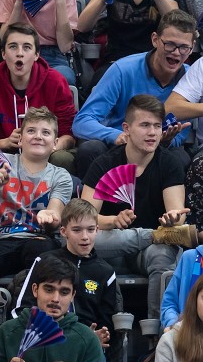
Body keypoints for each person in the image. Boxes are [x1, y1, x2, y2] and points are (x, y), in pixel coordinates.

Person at [82, 94, 193, 320]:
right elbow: (83, 218)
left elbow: (177, 214)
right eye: (144, 125)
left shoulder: (169, 162)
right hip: (111, 243)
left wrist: (173, 219)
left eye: (157, 126)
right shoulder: (105, 163)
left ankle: (159, 333)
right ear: (127, 128)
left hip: (147, 252)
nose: (152, 133)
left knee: (164, 252)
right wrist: (112, 221)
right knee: (86, 240)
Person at [72, 9, 196, 176]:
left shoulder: (191, 79)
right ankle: (92, 202)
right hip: (118, 147)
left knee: (180, 158)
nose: (176, 52)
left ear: (192, 47)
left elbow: (182, 133)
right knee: (90, 149)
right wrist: (118, 136)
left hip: (159, 149)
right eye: (170, 44)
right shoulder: (122, 69)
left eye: (184, 48)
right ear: (155, 40)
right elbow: (82, 122)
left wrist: (166, 140)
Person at [0, 106, 72, 290]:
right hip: (0, 241)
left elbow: (56, 213)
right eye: (31, 131)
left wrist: (49, 217)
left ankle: (24, 309)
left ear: (55, 143)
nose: (38, 136)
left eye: (45, 132)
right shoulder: (1, 161)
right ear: (20, 139)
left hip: (38, 239)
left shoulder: (60, 176)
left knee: (43, 254)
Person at [0, 23, 76, 171]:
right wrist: (6, 142)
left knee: (62, 158)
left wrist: (50, 144)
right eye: (13, 47)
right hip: (6, 151)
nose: (20, 53)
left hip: (47, 151)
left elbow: (68, 134)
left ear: (37, 55)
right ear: (3, 53)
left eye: (27, 47)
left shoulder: (56, 81)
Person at [12, 199, 122, 333]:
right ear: (64, 232)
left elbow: (107, 324)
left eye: (90, 229)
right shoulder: (44, 260)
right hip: (45, 336)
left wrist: (98, 338)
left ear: (97, 230)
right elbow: (21, 310)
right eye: (77, 230)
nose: (85, 237)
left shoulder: (106, 271)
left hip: (87, 342)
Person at [77, 0, 179, 82]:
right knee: (99, 85)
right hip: (115, 60)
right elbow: (83, 26)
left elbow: (176, 28)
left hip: (152, 61)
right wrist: (102, 1)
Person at [0, 0, 78, 84]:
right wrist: (18, 3)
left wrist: (60, 1)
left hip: (53, 55)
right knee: (1, 79)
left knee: (63, 78)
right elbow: (4, 38)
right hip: (19, 52)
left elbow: (65, 46)